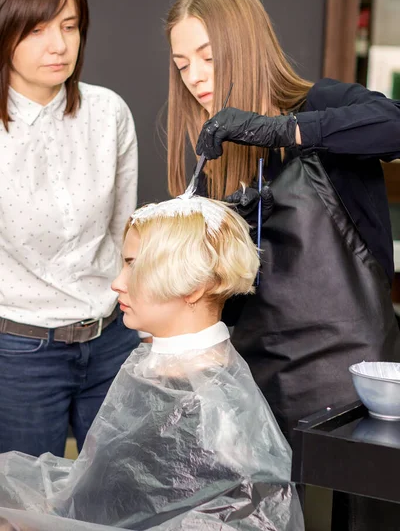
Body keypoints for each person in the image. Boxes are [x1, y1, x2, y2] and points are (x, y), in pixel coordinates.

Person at [165, 0, 400, 531]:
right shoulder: (209, 150)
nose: (195, 77)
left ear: (242, 45)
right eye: (182, 65)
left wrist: (278, 131)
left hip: (354, 395)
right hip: (258, 396)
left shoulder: (323, 107)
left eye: (207, 57)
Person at [0, 195, 304, 531]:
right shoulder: (155, 368)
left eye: (134, 265)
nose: (117, 283)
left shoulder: (213, 410)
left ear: (196, 285)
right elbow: (101, 496)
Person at [0, 0, 139, 458]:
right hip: (18, 352)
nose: (59, 45)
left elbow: (127, 236)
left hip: (111, 340)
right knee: (24, 509)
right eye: (36, 29)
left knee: (119, 495)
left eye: (70, 25)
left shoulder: (108, 115)